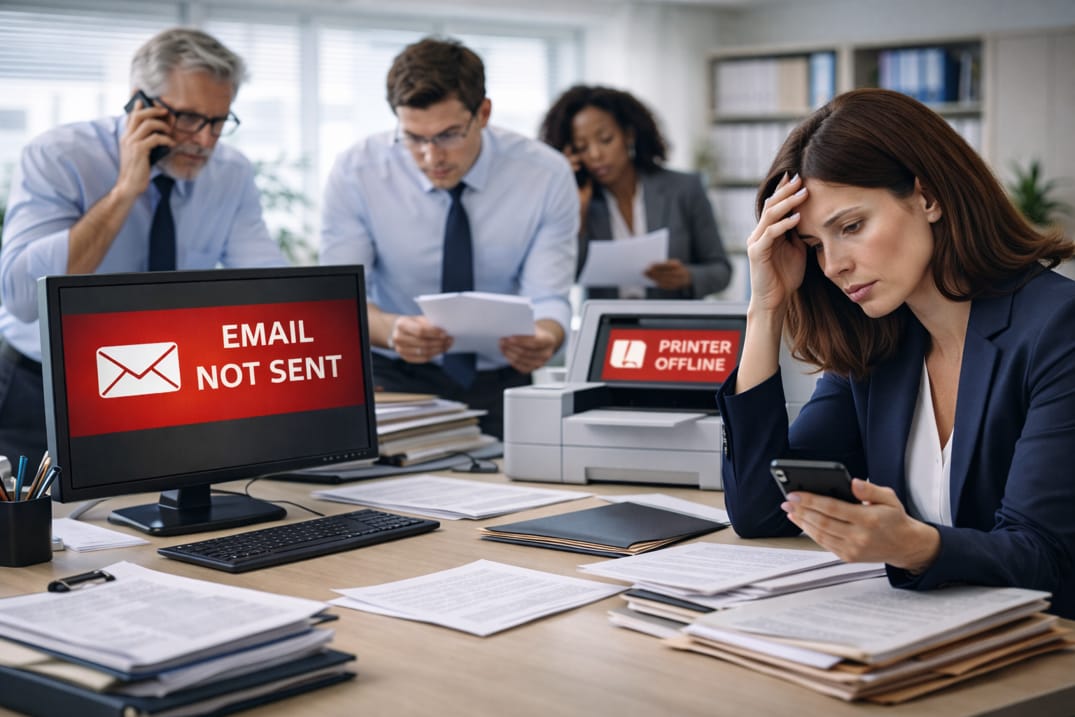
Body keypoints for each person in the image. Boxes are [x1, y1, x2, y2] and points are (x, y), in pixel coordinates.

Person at [716, 88, 1075, 619]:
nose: (833, 265)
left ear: (928, 197)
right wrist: (765, 307)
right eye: (815, 245)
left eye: (852, 227)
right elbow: (762, 509)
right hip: (931, 639)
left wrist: (914, 546)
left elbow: (1047, 559)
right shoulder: (876, 345)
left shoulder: (1057, 329)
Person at [0, 27, 286, 465]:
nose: (205, 140)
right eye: (189, 118)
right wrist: (124, 192)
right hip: (43, 388)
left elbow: (268, 282)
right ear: (140, 103)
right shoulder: (58, 156)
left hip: (162, 384)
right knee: (42, 533)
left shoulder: (231, 171)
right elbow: (22, 299)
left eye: (219, 121)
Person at [320, 37, 577, 439]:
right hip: (393, 374)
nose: (431, 156)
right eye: (413, 137)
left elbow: (549, 296)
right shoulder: (357, 171)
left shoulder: (545, 174)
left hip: (502, 379)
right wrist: (391, 329)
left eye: (449, 135)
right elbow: (340, 297)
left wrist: (546, 335)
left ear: (484, 113)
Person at [539, 84, 731, 299]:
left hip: (674, 327)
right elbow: (567, 275)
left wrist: (687, 277)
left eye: (605, 139)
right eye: (582, 147)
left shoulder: (684, 189)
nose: (594, 155)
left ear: (629, 135)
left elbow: (721, 270)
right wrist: (578, 211)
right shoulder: (580, 201)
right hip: (609, 328)